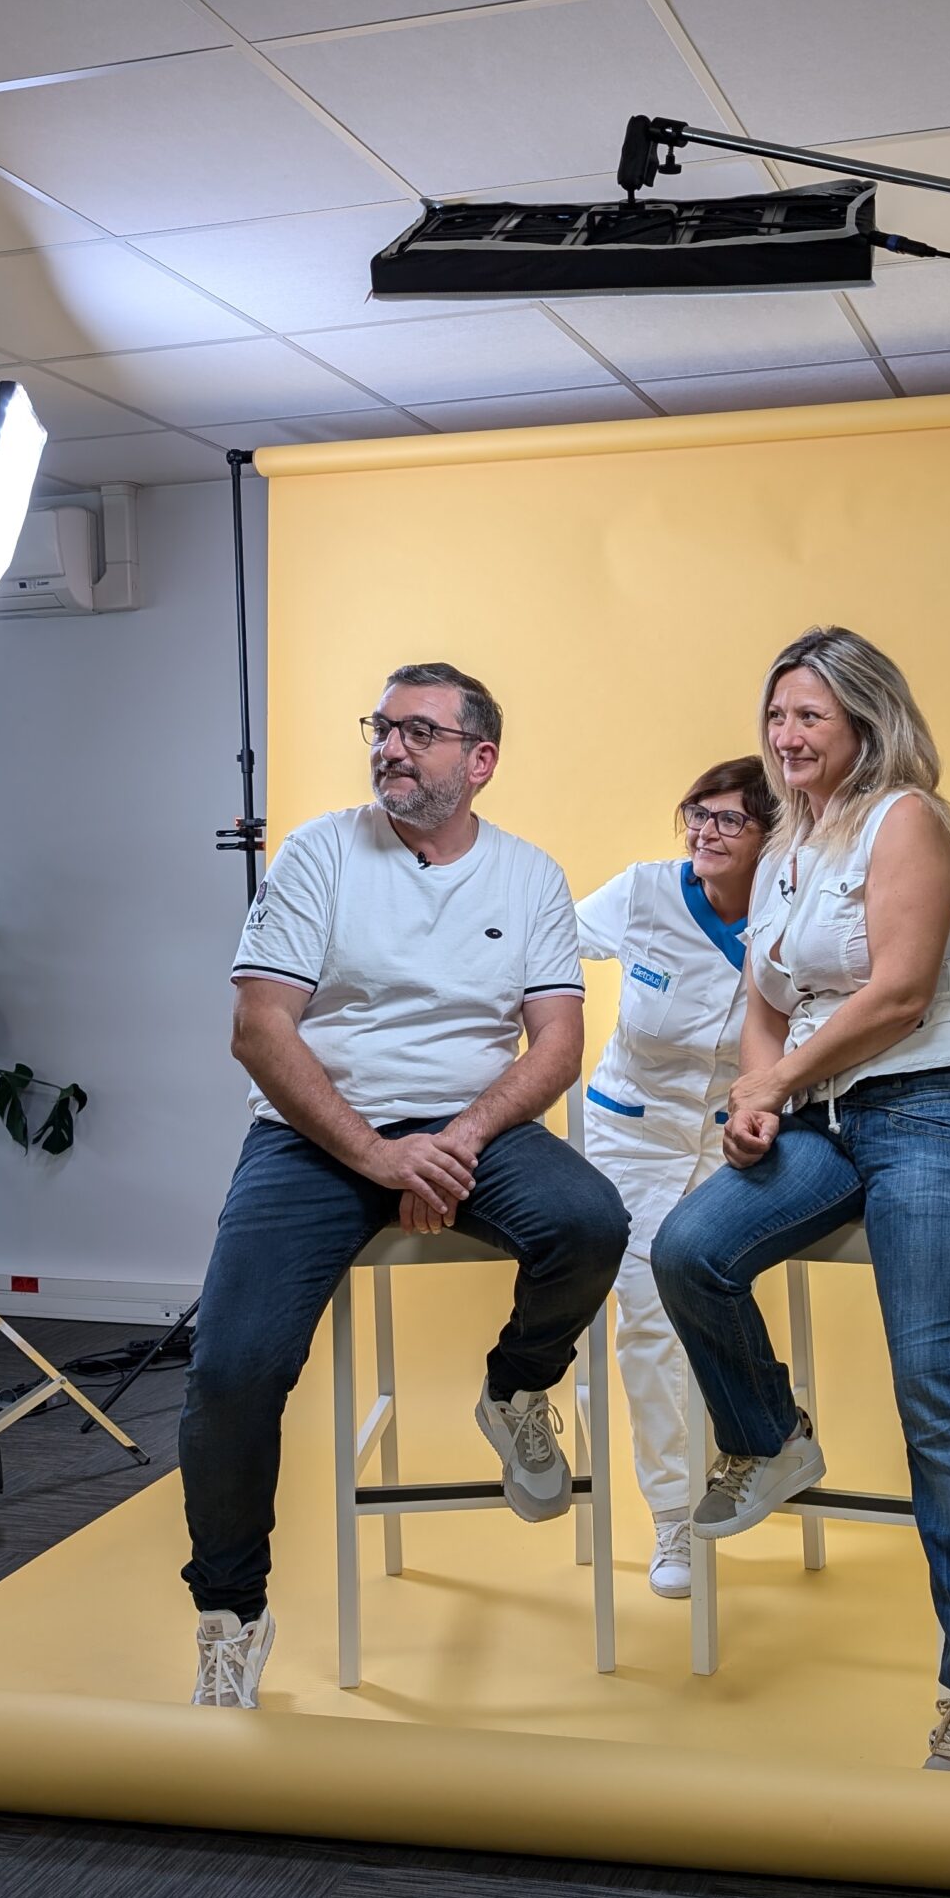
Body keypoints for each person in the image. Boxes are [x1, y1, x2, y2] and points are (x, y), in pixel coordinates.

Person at [181, 661, 629, 1709]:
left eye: (419, 732)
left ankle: (515, 1386)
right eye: (381, 728)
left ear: (480, 760)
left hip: (471, 1126)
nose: (390, 747)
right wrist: (381, 1158)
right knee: (232, 1368)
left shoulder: (529, 875)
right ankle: (230, 1615)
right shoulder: (319, 853)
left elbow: (557, 1047)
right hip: (314, 1133)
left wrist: (454, 1143)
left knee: (589, 1220)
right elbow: (259, 1029)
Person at [652, 626, 950, 1777]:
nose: (785, 735)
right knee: (688, 1250)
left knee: (934, 1391)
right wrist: (759, 1097)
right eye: (776, 714)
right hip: (822, 1120)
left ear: (865, 724)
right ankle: (768, 1438)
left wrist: (770, 1081)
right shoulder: (784, 843)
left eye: (808, 716)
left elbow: (898, 993)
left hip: (933, 1111)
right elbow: (762, 1001)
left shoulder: (906, 820)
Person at [576, 761, 777, 1600]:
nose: (705, 831)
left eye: (729, 820)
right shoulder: (646, 892)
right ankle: (674, 1513)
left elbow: (881, 956)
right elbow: (539, 941)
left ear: (773, 837)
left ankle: (762, 1450)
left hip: (740, 1145)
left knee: (713, 1306)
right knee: (650, 1320)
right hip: (633, 1137)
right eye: (698, 813)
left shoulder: (796, 906)